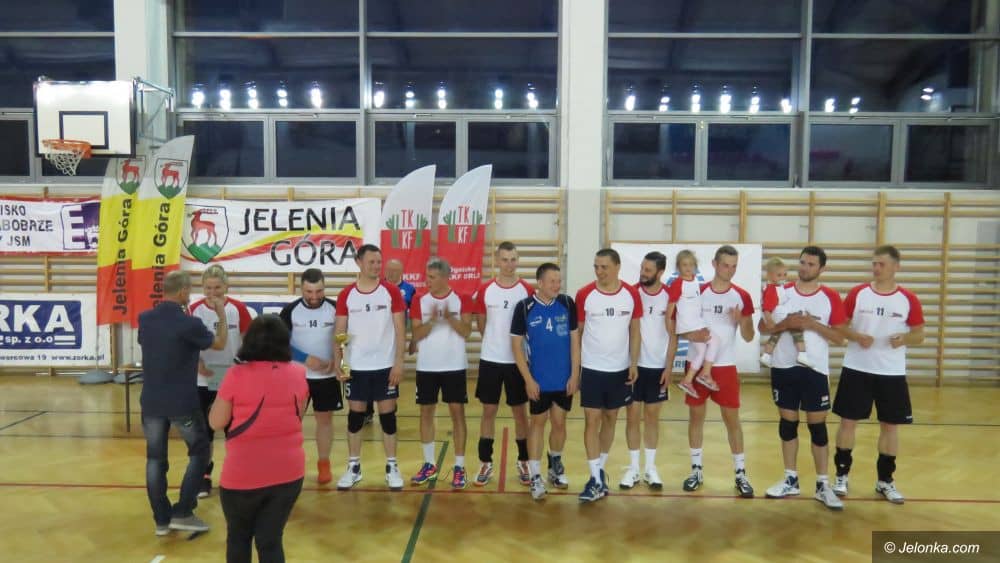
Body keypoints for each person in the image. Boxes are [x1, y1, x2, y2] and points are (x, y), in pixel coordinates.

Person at [209, 314, 309, 563]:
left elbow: (216, 422)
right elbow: (298, 414)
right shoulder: (299, 373)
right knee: (270, 540)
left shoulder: (236, 375)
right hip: (289, 473)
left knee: (239, 538)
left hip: (243, 475)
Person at [138, 270, 228, 535]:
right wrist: (221, 314)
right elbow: (220, 343)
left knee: (155, 460)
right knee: (200, 452)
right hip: (182, 403)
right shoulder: (190, 323)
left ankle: (161, 520)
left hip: (151, 402)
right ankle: (184, 512)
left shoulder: (145, 319)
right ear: (183, 292)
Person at [832, 245, 925, 504]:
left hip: (891, 372)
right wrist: (856, 336)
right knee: (847, 423)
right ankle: (841, 476)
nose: (876, 268)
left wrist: (905, 338)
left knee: (890, 427)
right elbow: (838, 325)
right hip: (856, 368)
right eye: (874, 263)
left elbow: (920, 334)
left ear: (896, 266)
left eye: (881, 264)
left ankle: (885, 481)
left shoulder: (908, 298)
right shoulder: (858, 293)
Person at [762, 246, 848, 510]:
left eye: (811, 264)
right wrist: (785, 324)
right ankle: (790, 479)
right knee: (787, 424)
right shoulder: (781, 290)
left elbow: (840, 337)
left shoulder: (830, 296)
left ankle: (823, 485)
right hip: (783, 367)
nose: (805, 268)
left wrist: (812, 325)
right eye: (802, 262)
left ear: (822, 268)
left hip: (815, 370)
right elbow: (763, 326)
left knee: (817, 427)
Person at [679, 245, 756, 499]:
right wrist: (692, 335)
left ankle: (741, 474)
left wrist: (742, 320)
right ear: (714, 264)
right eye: (725, 265)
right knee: (696, 418)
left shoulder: (742, 296)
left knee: (732, 421)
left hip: (725, 367)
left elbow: (749, 336)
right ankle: (696, 471)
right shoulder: (697, 292)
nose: (730, 270)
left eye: (734, 266)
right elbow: (680, 327)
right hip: (696, 364)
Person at [332, 244, 407, 491]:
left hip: (385, 367)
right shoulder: (346, 295)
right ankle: (353, 467)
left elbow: (400, 330)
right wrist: (340, 363)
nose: (376, 266)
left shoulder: (391, 291)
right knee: (355, 419)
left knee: (388, 418)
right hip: (356, 367)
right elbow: (340, 332)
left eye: (379, 262)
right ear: (359, 262)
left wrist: (398, 363)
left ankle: (392, 466)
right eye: (371, 262)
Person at [574, 248, 642, 503]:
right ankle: (593, 478)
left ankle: (600, 470)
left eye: (604, 267)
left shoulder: (631, 294)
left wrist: (633, 363)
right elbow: (577, 334)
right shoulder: (584, 294)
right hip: (592, 369)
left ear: (617, 267)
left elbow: (635, 331)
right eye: (596, 266)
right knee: (591, 421)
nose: (599, 271)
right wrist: (576, 369)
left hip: (619, 370)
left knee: (611, 418)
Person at [510, 263, 579, 500]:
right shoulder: (524, 307)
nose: (557, 285)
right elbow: (516, 347)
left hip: (563, 378)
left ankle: (555, 467)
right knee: (537, 423)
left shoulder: (567, 303)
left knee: (559, 422)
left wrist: (575, 374)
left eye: (559, 281)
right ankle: (536, 475)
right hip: (539, 380)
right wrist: (528, 380)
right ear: (539, 283)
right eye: (552, 281)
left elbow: (575, 342)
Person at [472, 241, 535, 487]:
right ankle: (485, 462)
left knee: (520, 413)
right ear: (497, 261)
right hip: (491, 360)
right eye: (505, 259)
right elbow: (481, 323)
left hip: (517, 363)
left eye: (513, 259)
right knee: (488, 411)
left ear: (518, 261)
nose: (509, 264)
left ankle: (524, 460)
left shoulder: (527, 290)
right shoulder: (485, 290)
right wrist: (494, 344)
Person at [409, 257, 474, 489]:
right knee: (426, 413)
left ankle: (459, 466)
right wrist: (434, 321)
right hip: (427, 366)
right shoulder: (419, 300)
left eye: (432, 277)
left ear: (446, 277)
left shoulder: (462, 298)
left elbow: (466, 331)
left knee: (457, 414)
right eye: (427, 276)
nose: (427, 281)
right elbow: (416, 334)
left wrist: (449, 318)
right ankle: (429, 464)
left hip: (454, 365)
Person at [189, 265, 252, 498]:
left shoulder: (238, 309)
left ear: (226, 286)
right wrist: (197, 363)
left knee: (234, 430)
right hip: (203, 380)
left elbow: (249, 342)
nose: (212, 292)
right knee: (204, 432)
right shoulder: (194, 310)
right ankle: (204, 476)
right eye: (208, 288)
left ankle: (236, 474)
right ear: (202, 287)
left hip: (232, 380)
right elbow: (187, 344)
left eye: (217, 287)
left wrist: (240, 363)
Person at [278, 269, 340, 485]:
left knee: (325, 420)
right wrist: (306, 359)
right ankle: (288, 463)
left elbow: (344, 338)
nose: (314, 297)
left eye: (319, 291)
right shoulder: (290, 311)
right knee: (292, 421)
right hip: (296, 377)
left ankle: (324, 463)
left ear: (325, 287)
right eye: (309, 292)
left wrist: (337, 359)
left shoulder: (336, 308)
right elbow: (280, 344)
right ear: (300, 288)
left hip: (327, 377)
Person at [620, 251, 674, 490]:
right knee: (632, 416)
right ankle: (633, 469)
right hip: (633, 366)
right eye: (642, 268)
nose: (643, 273)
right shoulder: (631, 294)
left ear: (660, 272)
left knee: (652, 417)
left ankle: (650, 469)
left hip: (657, 367)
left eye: (648, 270)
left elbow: (674, 335)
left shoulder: (670, 297)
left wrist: (669, 368)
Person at [363, 258, 416, 424]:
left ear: (402, 272)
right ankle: (367, 410)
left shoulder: (410, 289)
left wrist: (413, 339)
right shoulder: (376, 287)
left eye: (395, 270)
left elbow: (414, 315)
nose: (391, 273)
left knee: (392, 373)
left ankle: (390, 405)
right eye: (389, 270)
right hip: (373, 339)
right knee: (368, 373)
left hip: (396, 340)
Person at [669, 250, 720, 398]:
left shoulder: (695, 281)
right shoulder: (678, 283)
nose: (688, 268)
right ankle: (705, 374)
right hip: (689, 325)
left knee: (702, 350)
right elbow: (671, 307)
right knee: (715, 341)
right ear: (678, 267)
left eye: (691, 264)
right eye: (684, 265)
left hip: (696, 322)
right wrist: (671, 328)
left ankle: (687, 380)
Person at [759, 257, 812, 369]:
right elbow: (767, 308)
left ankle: (766, 355)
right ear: (769, 275)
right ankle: (802, 354)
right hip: (777, 315)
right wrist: (769, 320)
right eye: (779, 275)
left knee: (776, 335)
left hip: (778, 314)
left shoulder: (776, 287)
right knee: (796, 330)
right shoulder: (772, 290)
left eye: (785, 274)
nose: (783, 277)